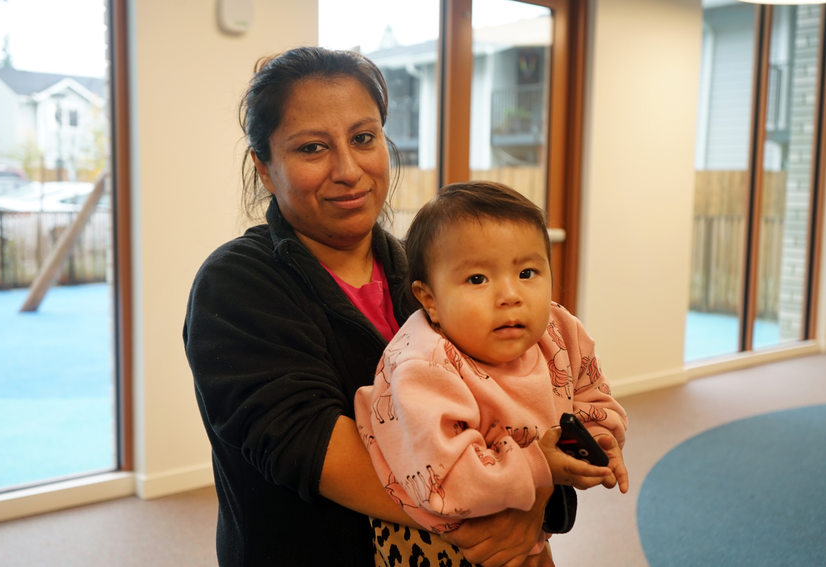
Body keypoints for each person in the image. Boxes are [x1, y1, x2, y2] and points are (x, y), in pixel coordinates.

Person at [184, 47, 555, 567]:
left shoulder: (426, 277)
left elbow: (521, 403)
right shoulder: (237, 284)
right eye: (312, 148)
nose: (348, 169)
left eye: (364, 138)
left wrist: (538, 499)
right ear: (265, 169)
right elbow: (312, 451)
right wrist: (507, 504)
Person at [354, 181, 629, 566]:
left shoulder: (559, 332)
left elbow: (592, 396)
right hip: (438, 538)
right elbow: (448, 482)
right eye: (478, 279)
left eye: (528, 272)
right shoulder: (422, 366)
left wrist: (592, 438)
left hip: (524, 511)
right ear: (429, 298)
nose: (510, 295)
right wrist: (542, 464)